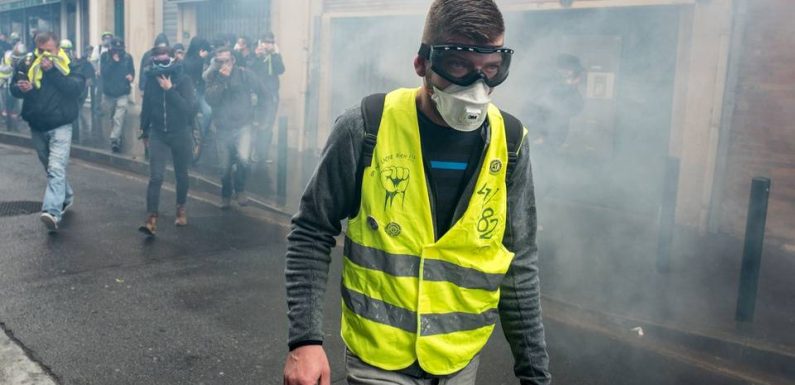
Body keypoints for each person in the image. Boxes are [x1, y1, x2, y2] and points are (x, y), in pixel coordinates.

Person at [282, 1, 551, 385]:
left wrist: (536, 375)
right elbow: (311, 229)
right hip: (379, 360)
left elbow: (519, 264)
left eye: (491, 70)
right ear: (422, 63)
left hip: (459, 362)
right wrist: (304, 342)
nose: (477, 86)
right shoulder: (366, 127)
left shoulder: (509, 143)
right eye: (458, 65)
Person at [10, 32, 86, 232]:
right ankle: (67, 196)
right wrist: (22, 89)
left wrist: (52, 71)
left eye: (49, 51)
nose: (44, 56)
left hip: (61, 124)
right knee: (49, 167)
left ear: (57, 47)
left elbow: (75, 89)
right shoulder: (27, 62)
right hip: (37, 123)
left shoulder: (69, 62)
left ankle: (52, 212)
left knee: (56, 169)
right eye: (41, 51)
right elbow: (13, 87)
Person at [138, 46, 196, 236]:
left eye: (165, 61)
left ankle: (180, 208)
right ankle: (151, 219)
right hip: (158, 134)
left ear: (172, 59)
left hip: (179, 132)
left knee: (181, 173)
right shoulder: (151, 80)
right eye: (157, 61)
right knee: (156, 177)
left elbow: (188, 109)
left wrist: (170, 89)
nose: (161, 65)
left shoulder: (184, 80)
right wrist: (144, 131)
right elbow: (146, 107)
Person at [204, 47, 266, 208]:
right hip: (223, 128)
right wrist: (221, 80)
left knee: (244, 161)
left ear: (233, 60)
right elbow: (211, 99)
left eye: (227, 60)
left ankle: (240, 190)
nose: (224, 64)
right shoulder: (213, 77)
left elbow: (264, 94)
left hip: (243, 125)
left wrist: (260, 118)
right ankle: (225, 195)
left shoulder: (246, 75)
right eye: (219, 61)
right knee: (224, 167)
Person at [250, 32, 285, 164]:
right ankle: (254, 152)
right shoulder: (256, 55)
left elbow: (280, 70)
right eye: (266, 42)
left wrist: (275, 55)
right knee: (257, 124)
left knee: (268, 125)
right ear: (261, 43)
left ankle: (263, 154)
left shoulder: (275, 56)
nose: (268, 45)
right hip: (258, 96)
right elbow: (251, 70)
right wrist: (258, 56)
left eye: (271, 42)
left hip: (272, 96)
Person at [100, 37, 135, 152]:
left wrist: (131, 77)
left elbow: (132, 71)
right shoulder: (105, 57)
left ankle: (115, 139)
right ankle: (116, 133)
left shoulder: (128, 57)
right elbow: (104, 73)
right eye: (115, 49)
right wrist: (113, 62)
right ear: (110, 48)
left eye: (120, 49)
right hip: (109, 93)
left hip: (122, 92)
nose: (117, 52)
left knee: (118, 117)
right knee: (110, 116)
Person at [183, 37, 213, 152]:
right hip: (189, 92)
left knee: (208, 111)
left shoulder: (206, 59)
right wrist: (200, 59)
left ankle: (203, 136)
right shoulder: (187, 60)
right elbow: (190, 70)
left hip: (202, 92)